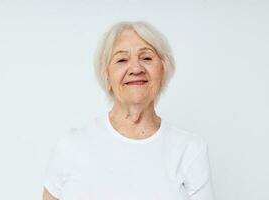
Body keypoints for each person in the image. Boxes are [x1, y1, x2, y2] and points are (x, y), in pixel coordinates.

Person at [42, 21, 215, 200]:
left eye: (146, 58)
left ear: (163, 69)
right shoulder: (71, 145)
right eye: (122, 60)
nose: (136, 69)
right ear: (106, 74)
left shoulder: (191, 150)